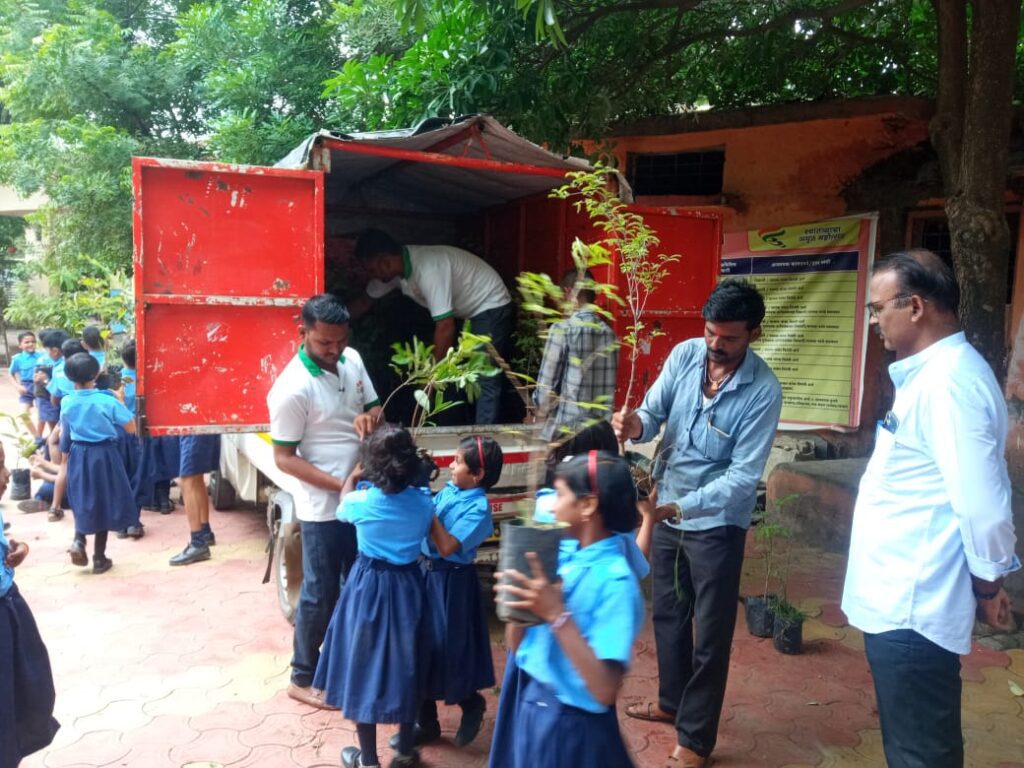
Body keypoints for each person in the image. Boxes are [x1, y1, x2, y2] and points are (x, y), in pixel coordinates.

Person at [841, 249, 1019, 768]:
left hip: (913, 606)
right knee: (913, 743)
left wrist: (988, 585)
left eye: (878, 309)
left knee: (921, 752)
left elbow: (983, 504)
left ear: (914, 306)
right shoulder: (932, 376)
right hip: (900, 599)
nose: (874, 321)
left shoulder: (949, 385)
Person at [612, 279, 782, 768]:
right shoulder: (687, 354)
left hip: (715, 524)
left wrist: (672, 510)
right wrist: (634, 425)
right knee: (667, 612)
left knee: (710, 632)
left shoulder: (763, 391)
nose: (715, 345)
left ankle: (696, 737)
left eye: (728, 338)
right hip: (665, 506)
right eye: (710, 332)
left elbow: (742, 478)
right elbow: (652, 411)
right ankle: (670, 701)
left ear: (754, 333)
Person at [490, 451, 644, 768]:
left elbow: (604, 690)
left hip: (570, 730)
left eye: (560, 494)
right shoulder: (564, 558)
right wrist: (519, 604)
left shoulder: (616, 583)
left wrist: (556, 615)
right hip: (533, 706)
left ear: (587, 505)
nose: (552, 504)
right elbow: (516, 646)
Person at [267, 293, 382, 709]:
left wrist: (370, 417)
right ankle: (302, 675)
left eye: (339, 341)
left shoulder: (351, 360)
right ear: (303, 334)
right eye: (324, 344)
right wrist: (340, 486)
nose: (334, 351)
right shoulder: (291, 389)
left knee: (359, 583)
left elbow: (375, 406)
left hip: (362, 499)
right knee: (320, 590)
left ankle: (346, 662)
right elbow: (284, 458)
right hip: (324, 506)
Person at [313, 424, 436, 768]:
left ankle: (368, 759)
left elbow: (341, 508)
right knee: (409, 665)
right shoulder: (424, 504)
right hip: (409, 587)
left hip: (367, 588)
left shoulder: (360, 502)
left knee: (361, 667)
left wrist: (352, 477)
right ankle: (405, 752)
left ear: (371, 466)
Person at [353, 229, 514, 424]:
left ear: (384, 262)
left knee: (483, 374)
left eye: (372, 270)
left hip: (490, 305)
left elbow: (445, 326)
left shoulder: (428, 268)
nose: (373, 277)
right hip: (467, 312)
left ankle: (484, 440)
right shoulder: (396, 272)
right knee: (456, 377)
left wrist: (431, 375)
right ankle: (455, 426)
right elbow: (364, 302)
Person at [412, 435, 503, 748]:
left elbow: (448, 546)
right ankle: (427, 723)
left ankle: (471, 702)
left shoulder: (479, 510)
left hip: (452, 584)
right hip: (426, 577)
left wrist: (426, 505)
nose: (450, 466)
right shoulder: (451, 490)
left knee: (448, 650)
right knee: (420, 647)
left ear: (477, 475)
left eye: (458, 462)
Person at [0, 447, 60, 768]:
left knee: (23, 694)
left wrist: (17, 549)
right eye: (0, 467)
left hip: (10, 612)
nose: (8, 475)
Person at [56, 353, 138, 574]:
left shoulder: (67, 401)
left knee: (83, 498)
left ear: (69, 376)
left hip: (79, 454)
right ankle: (99, 558)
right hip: (105, 455)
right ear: (95, 375)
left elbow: (65, 430)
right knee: (105, 501)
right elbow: (131, 428)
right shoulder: (106, 400)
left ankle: (78, 540)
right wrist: (120, 402)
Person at [533, 269, 619, 443]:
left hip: (568, 435)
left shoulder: (561, 330)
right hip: (602, 436)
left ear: (567, 292)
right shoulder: (609, 334)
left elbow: (545, 391)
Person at [168, 434, 221, 566]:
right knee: (196, 477)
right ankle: (205, 532)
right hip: (200, 429)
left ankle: (197, 542)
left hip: (193, 430)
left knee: (187, 480)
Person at [8, 331, 43, 436]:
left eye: (33, 341)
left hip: (41, 387)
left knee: (43, 415)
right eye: (26, 342)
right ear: (20, 345)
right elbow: (11, 373)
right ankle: (37, 437)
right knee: (23, 414)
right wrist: (17, 386)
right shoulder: (17, 359)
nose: (30, 344)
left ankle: (40, 436)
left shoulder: (41, 357)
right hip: (26, 387)